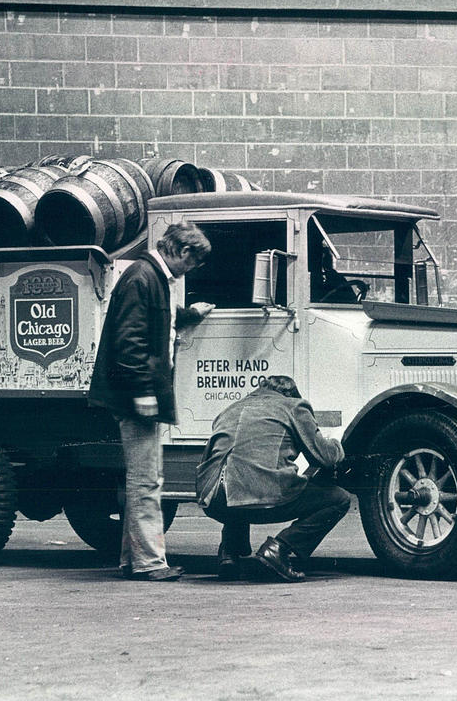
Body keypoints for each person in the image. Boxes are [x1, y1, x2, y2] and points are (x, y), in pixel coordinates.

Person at [89, 221, 213, 581]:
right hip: (137, 398)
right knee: (146, 481)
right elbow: (130, 342)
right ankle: (149, 563)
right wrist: (143, 393)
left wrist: (190, 314)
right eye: (192, 263)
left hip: (137, 396)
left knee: (143, 480)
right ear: (183, 251)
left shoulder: (147, 277)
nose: (189, 270)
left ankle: (133, 560)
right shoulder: (144, 277)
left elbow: (157, 323)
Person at [196, 375, 350, 582]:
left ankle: (229, 553)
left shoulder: (229, 410)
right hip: (260, 496)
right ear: (290, 394)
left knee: (237, 474)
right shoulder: (294, 406)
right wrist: (337, 443)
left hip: (212, 498)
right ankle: (278, 550)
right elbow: (326, 457)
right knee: (338, 499)